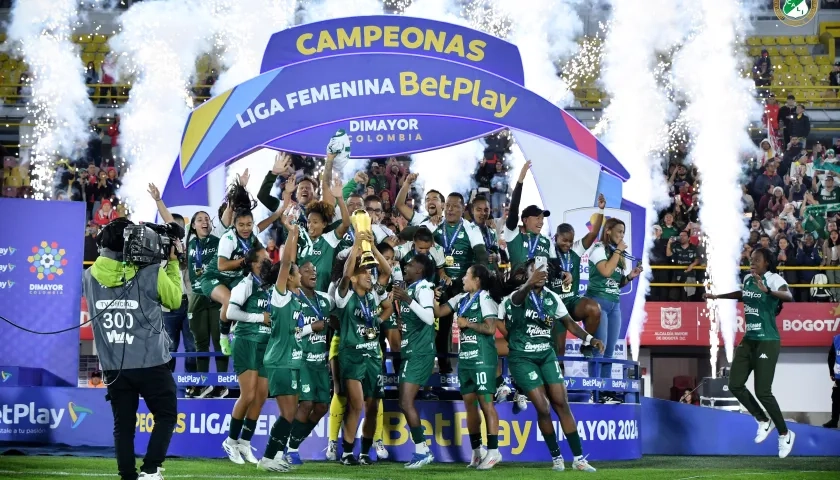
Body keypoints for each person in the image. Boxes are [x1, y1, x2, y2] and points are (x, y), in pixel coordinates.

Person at [82, 218, 183, 480]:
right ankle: (150, 470)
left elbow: (112, 273)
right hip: (150, 362)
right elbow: (174, 300)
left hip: (114, 366)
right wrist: (170, 262)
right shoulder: (150, 271)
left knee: (123, 427)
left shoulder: (88, 277)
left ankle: (127, 476)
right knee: (167, 414)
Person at [497, 259, 603, 472]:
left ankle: (579, 459)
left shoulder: (553, 298)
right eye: (534, 269)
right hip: (522, 359)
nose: (540, 273)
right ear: (527, 273)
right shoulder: (516, 296)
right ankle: (556, 459)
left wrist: (590, 339)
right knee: (543, 407)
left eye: (543, 270)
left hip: (546, 356)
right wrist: (528, 284)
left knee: (561, 404)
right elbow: (516, 302)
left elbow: (570, 323)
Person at [706, 247, 795, 458]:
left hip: (767, 341)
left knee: (763, 391)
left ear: (767, 263)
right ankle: (763, 420)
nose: (752, 262)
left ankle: (785, 433)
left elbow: (788, 295)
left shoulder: (773, 279)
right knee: (734, 384)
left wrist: (767, 291)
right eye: (750, 259)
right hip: (749, 340)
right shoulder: (748, 279)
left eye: (757, 260)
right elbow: (743, 294)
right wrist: (717, 295)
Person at [149, 184, 232, 398]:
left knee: (207, 343)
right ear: (192, 226)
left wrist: (236, 192)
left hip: (205, 298)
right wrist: (159, 201)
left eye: (207, 219)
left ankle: (209, 385)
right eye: (200, 220)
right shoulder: (187, 241)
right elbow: (170, 222)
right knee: (185, 346)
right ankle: (186, 387)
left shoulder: (217, 239)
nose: (205, 222)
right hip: (183, 302)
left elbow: (227, 218)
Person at [433, 264, 502, 469]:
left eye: (466, 276)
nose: (462, 279)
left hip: (483, 359)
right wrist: (434, 297)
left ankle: (493, 451)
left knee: (486, 404)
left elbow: (491, 329)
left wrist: (468, 324)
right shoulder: (460, 299)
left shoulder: (486, 299)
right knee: (470, 406)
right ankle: (476, 451)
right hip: (466, 360)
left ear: (477, 280)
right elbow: (438, 312)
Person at [334, 230, 393, 466]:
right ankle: (347, 452)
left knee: (373, 405)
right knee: (356, 404)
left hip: (373, 356)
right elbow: (347, 273)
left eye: (370, 272)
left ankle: (365, 452)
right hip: (352, 355)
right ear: (355, 278)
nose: (370, 276)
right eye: (365, 272)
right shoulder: (345, 295)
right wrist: (357, 246)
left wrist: (373, 247)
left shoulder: (374, 296)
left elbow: (387, 272)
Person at [222, 244, 274, 466]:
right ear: (253, 264)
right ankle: (231, 440)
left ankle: (245, 441)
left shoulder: (269, 286)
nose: (267, 263)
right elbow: (230, 312)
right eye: (263, 260)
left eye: (268, 259)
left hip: (265, 344)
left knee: (261, 395)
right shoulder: (245, 284)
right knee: (248, 395)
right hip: (246, 342)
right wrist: (258, 318)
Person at [258, 223, 303, 472]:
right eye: (297, 272)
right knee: (288, 414)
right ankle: (268, 458)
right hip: (280, 360)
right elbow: (286, 264)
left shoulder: (292, 297)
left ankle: (274, 456)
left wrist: (294, 234)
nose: (300, 274)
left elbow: (290, 261)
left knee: (291, 413)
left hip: (289, 360)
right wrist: (289, 234)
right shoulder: (280, 295)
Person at [585, 218, 643, 404]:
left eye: (624, 233)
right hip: (597, 303)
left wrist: (629, 277)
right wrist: (618, 251)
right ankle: (595, 391)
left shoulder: (616, 253)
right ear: (608, 231)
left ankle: (606, 391)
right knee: (598, 351)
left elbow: (616, 281)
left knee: (609, 351)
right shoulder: (599, 249)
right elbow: (605, 272)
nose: (622, 236)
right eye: (619, 232)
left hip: (614, 304)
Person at [284, 260, 334, 465]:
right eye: (307, 270)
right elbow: (289, 331)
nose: (313, 273)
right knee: (306, 404)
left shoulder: (324, 300)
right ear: (298, 276)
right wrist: (312, 328)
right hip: (302, 359)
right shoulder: (293, 300)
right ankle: (292, 449)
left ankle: (290, 443)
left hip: (320, 361)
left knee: (322, 406)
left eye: (314, 270)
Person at [390, 254, 437, 469]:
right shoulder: (413, 286)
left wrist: (407, 300)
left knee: (406, 402)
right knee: (404, 402)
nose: (406, 267)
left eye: (410, 265)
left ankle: (422, 450)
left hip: (419, 353)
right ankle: (422, 449)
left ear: (419, 270)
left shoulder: (424, 288)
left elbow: (429, 317)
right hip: (411, 351)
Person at [551, 195, 605, 362]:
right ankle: (559, 384)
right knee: (559, 351)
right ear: (556, 237)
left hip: (571, 301)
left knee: (594, 308)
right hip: (554, 306)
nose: (567, 244)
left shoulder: (576, 249)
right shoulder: (548, 250)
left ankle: (586, 344)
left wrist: (601, 209)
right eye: (564, 241)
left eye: (570, 241)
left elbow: (594, 232)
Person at [504, 161, 556, 270]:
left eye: (542, 219)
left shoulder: (547, 241)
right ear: (525, 220)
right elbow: (513, 210)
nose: (541, 222)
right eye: (537, 218)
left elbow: (555, 268)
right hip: (519, 286)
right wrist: (520, 181)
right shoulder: (513, 233)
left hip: (541, 286)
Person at [825, 332, 840, 428]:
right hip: (839, 377)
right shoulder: (837, 339)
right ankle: (834, 420)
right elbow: (831, 356)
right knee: (836, 397)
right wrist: (831, 372)